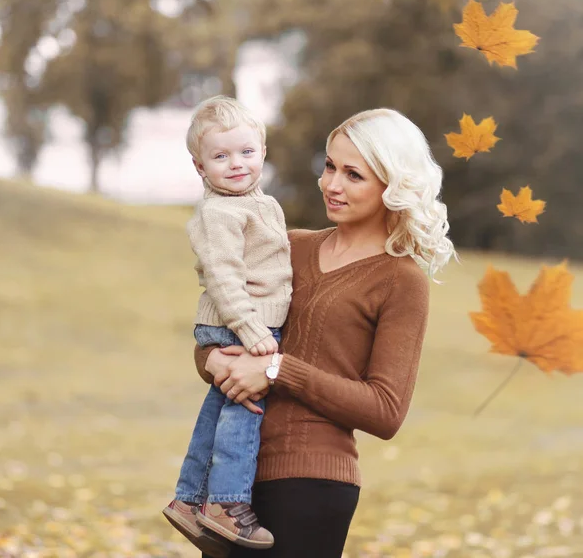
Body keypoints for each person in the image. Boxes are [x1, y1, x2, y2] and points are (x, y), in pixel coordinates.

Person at [194, 108, 457, 558]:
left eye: (353, 174)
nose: (332, 184)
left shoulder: (400, 279)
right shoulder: (287, 244)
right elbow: (218, 335)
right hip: (231, 486)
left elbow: (386, 410)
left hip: (312, 487)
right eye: (330, 165)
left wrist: (279, 369)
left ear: (391, 186)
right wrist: (210, 360)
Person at [162, 96, 293, 557]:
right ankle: (227, 503)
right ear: (200, 166)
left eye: (246, 152)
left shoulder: (259, 204)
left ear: (263, 151)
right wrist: (253, 331)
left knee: (219, 410)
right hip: (242, 323)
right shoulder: (220, 213)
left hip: (244, 322)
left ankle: (188, 497)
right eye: (220, 157)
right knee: (244, 414)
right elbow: (223, 277)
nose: (236, 164)